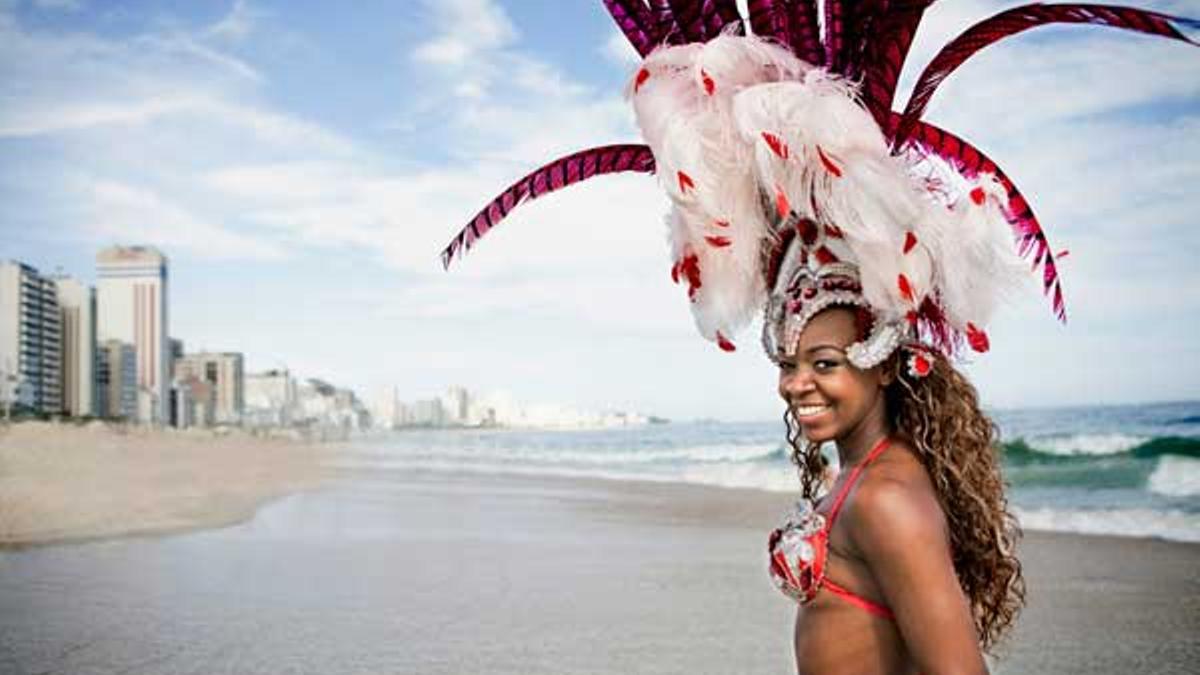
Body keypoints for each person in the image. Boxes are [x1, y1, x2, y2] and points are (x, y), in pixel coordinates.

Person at [441, 3, 1197, 672]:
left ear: (888, 363)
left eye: (826, 362)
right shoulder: (864, 477)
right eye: (791, 361)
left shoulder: (890, 498)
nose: (797, 381)